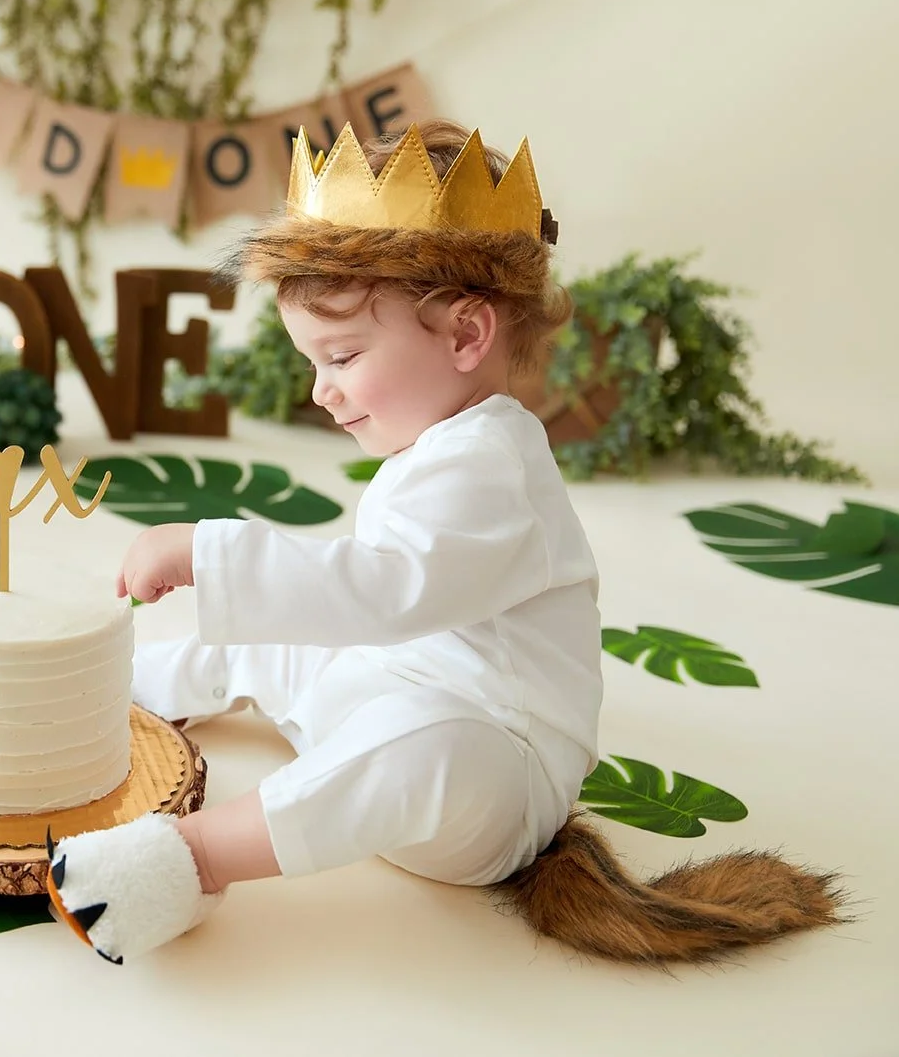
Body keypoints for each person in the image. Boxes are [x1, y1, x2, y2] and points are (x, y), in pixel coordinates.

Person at [43, 119, 845, 966]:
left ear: (466, 336)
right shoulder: (440, 441)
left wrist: (207, 551)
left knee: (419, 744)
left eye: (342, 355)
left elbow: (387, 589)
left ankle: (196, 859)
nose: (321, 391)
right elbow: (358, 608)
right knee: (283, 637)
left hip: (496, 763)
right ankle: (118, 692)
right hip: (405, 678)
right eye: (312, 362)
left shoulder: (493, 461)